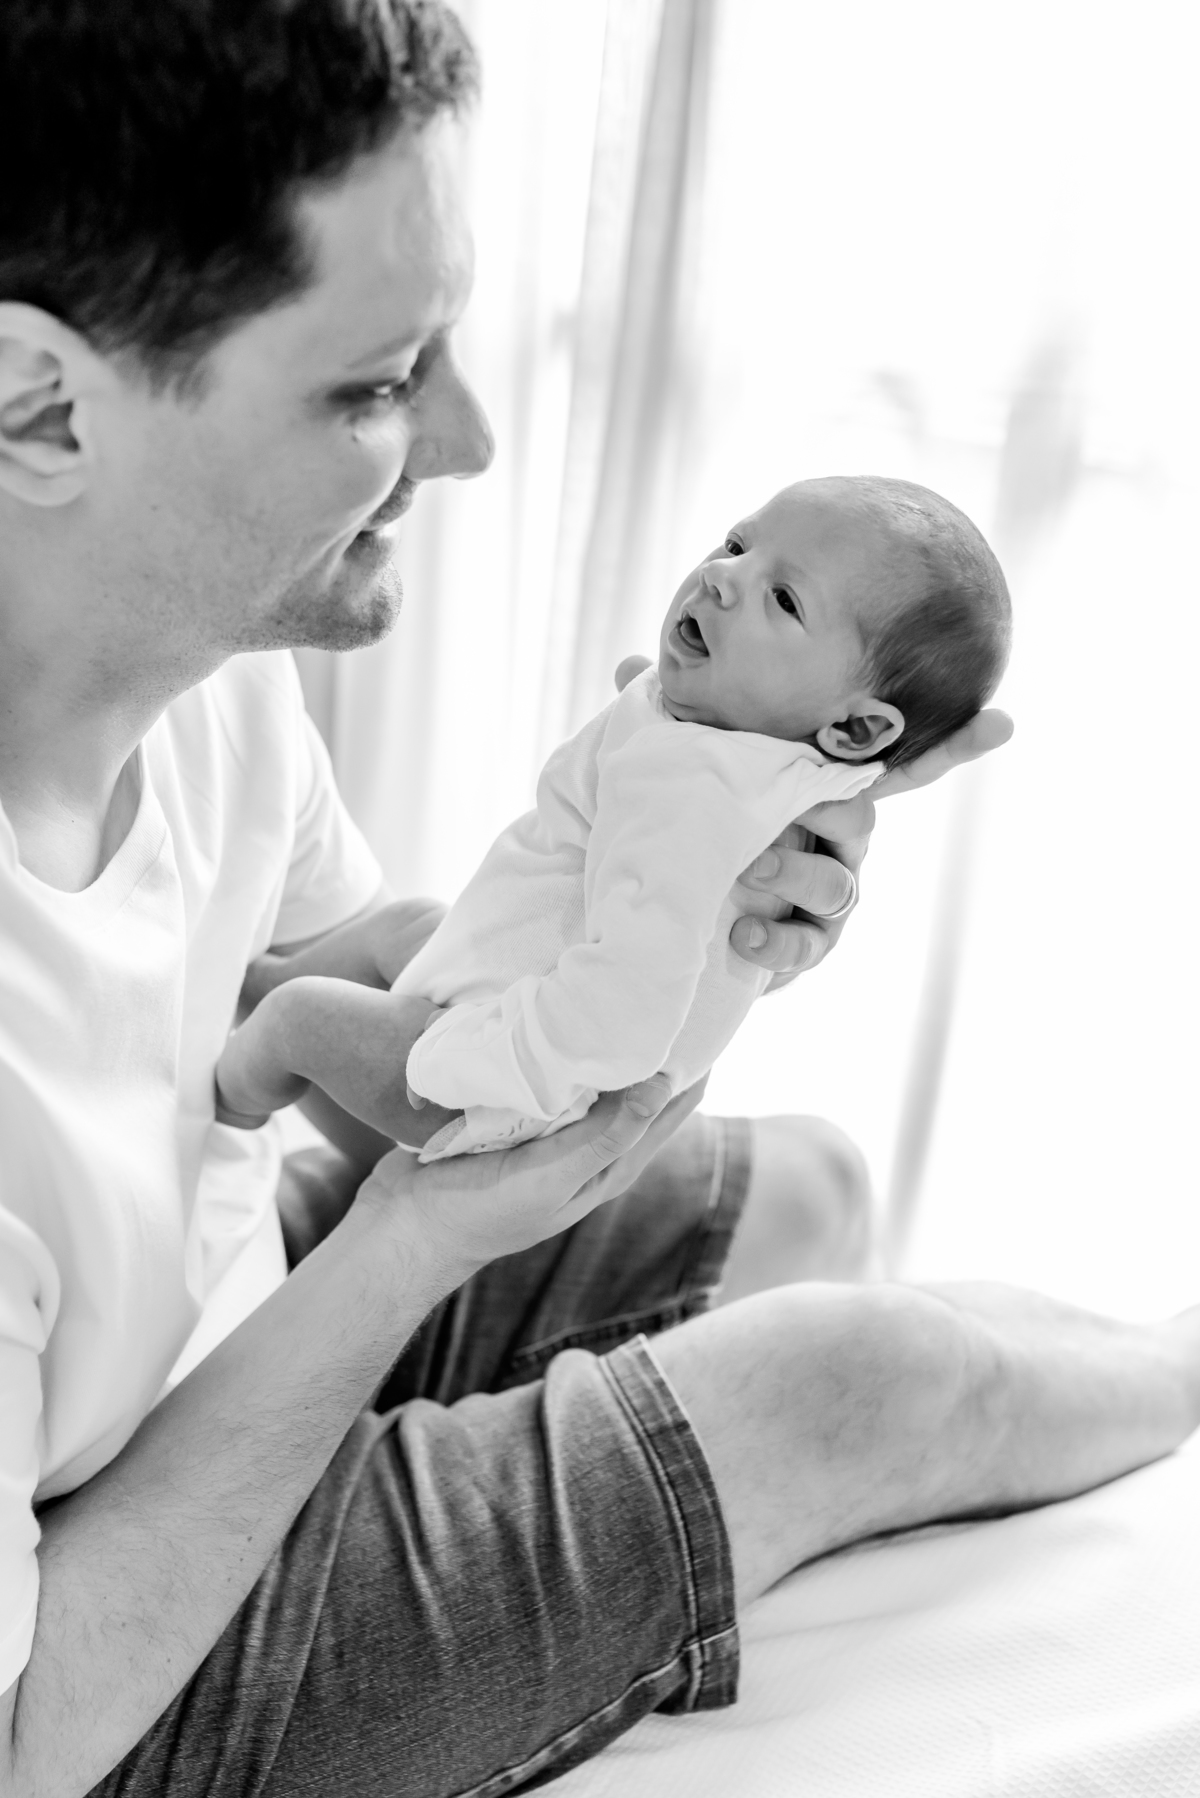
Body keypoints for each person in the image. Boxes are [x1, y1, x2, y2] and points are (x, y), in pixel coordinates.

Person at [1, 7, 1195, 1798]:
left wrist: (701, 873)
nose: (471, 439)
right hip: (101, 1653)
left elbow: (292, 974)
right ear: (40, 402)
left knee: (808, 1184)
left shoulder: (202, 667)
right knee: (852, 1378)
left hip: (200, 1315)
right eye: (383, 380)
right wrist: (418, 1236)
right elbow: (33, 1736)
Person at [212, 475, 1010, 1161]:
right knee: (408, 923)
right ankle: (254, 980)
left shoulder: (694, 793)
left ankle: (229, 1091)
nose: (722, 579)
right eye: (737, 545)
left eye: (785, 598)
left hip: (516, 1083)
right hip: (517, 1006)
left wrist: (482, 1063)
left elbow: (625, 1011)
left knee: (300, 1019)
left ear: (859, 729)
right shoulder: (763, 755)